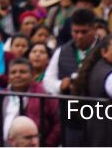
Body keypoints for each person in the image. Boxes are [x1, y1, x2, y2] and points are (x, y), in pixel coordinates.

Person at [43, 8, 98, 146]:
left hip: (98, 117)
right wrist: (60, 85)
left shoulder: (104, 49)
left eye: (84, 32)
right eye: (75, 32)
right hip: (70, 118)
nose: (79, 36)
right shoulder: (62, 51)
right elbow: (47, 80)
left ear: (94, 29)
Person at [0, 57, 59, 147]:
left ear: (33, 75)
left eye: (22, 72)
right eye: (13, 72)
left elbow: (58, 124)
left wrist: (45, 145)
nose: (17, 75)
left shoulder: (44, 96)